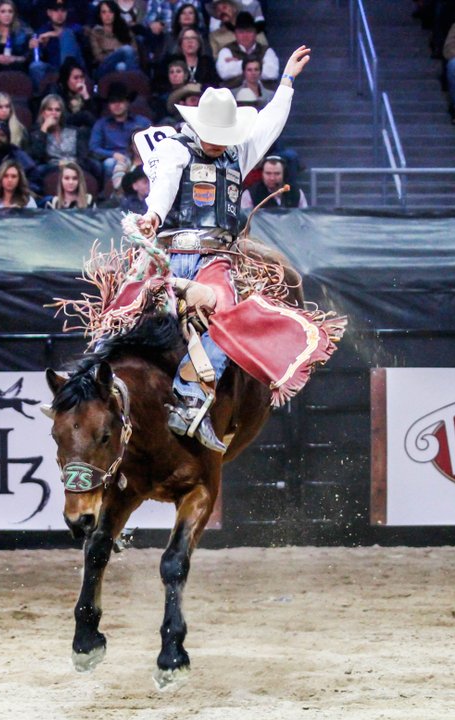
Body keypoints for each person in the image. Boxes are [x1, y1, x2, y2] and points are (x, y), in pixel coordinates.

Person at [133, 46, 312, 452]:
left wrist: (286, 82)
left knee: (228, 312)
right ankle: (90, 383)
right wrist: (153, 215)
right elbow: (164, 185)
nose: (218, 143)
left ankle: (189, 394)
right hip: (171, 253)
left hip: (216, 258)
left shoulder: (238, 152)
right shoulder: (175, 148)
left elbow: (269, 123)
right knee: (126, 311)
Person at [89, 80, 150, 182]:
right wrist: (113, 154)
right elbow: (94, 148)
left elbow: (153, 144)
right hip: (114, 159)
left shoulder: (143, 122)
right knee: (109, 163)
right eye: (113, 102)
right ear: (108, 105)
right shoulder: (101, 124)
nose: (117, 105)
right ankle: (111, 190)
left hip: (139, 158)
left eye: (120, 101)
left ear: (127, 102)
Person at [29, 92, 93, 179]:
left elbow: (83, 157)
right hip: (51, 170)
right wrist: (44, 129)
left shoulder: (75, 131)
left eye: (57, 110)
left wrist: (70, 164)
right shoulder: (36, 133)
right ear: (43, 113)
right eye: (50, 109)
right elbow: (37, 156)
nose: (54, 113)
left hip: (75, 168)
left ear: (61, 113)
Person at [27, 0, 84, 90]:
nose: (60, 14)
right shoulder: (42, 31)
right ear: (49, 13)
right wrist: (39, 47)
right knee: (35, 67)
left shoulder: (75, 27)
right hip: (54, 69)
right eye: (56, 11)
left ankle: (66, 85)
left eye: (63, 11)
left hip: (75, 67)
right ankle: (48, 94)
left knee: (67, 34)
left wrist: (55, 34)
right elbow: (38, 58)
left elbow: (76, 33)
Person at [215, 11, 277, 88]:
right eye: (241, 32)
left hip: (263, 93)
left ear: (255, 33)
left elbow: (272, 73)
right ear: (235, 34)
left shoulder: (267, 51)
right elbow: (224, 73)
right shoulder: (226, 51)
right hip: (233, 93)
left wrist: (237, 64)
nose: (245, 35)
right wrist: (259, 63)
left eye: (249, 31)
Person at [88, 0, 139, 79]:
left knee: (121, 66)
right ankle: (133, 80)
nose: (107, 15)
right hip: (105, 66)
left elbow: (134, 51)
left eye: (110, 12)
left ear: (115, 13)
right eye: (104, 12)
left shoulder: (124, 29)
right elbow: (98, 57)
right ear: (99, 15)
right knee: (126, 49)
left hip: (125, 64)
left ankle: (130, 82)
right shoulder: (96, 32)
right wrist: (117, 53)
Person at [240, 154, 307, 210]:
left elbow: (304, 218)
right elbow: (245, 219)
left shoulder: (296, 193)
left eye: (277, 174)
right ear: (262, 174)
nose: (272, 178)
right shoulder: (250, 194)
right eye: (268, 173)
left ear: (284, 174)